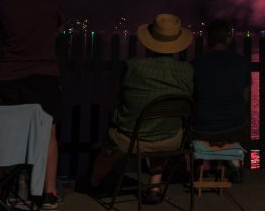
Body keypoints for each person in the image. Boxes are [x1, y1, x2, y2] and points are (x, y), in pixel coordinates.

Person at [88, 14, 194, 204]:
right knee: (162, 127)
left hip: (131, 138)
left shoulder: (134, 66)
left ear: (150, 41)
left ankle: (94, 183)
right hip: (170, 139)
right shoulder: (187, 70)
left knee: (112, 143)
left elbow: (119, 94)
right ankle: (154, 186)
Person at [0, 0, 66, 210]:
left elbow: (0, 35)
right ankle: (49, 192)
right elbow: (55, 30)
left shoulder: (6, 4)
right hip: (43, 77)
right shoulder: (52, 3)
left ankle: (7, 191)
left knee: (7, 133)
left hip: (8, 77)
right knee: (48, 133)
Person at [191, 20, 250, 182]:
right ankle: (232, 159)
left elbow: (193, 96)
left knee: (200, 128)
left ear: (208, 40)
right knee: (234, 125)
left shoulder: (196, 64)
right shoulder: (242, 63)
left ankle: (205, 162)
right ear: (229, 39)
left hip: (203, 127)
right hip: (235, 126)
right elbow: (245, 98)